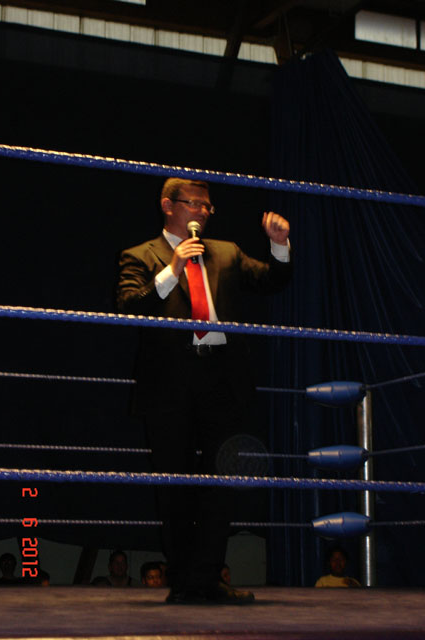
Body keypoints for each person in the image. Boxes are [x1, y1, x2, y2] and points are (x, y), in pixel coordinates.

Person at [117, 178, 291, 604]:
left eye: (207, 206)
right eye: (194, 203)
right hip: (168, 383)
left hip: (222, 380)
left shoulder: (227, 252)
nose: (202, 212)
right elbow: (130, 306)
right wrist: (173, 270)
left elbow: (271, 281)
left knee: (222, 482)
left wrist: (280, 245)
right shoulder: (140, 255)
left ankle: (209, 578)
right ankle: (182, 581)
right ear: (168, 205)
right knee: (174, 484)